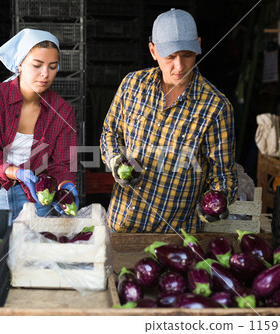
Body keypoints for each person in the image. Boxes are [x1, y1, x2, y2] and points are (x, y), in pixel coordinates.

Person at [100, 9, 237, 233]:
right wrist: (116, 161)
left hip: (175, 237)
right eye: (170, 57)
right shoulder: (132, 85)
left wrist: (217, 200)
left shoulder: (216, 107)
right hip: (120, 226)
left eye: (187, 55)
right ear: (153, 51)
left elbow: (223, 173)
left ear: (199, 46)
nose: (180, 66)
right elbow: (110, 133)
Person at [0, 28, 79, 222]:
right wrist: (16, 172)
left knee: (35, 251)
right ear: (20, 64)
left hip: (37, 196)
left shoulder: (62, 111)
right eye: (37, 65)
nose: (45, 74)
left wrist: (66, 184)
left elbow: (62, 164)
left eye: (53, 66)